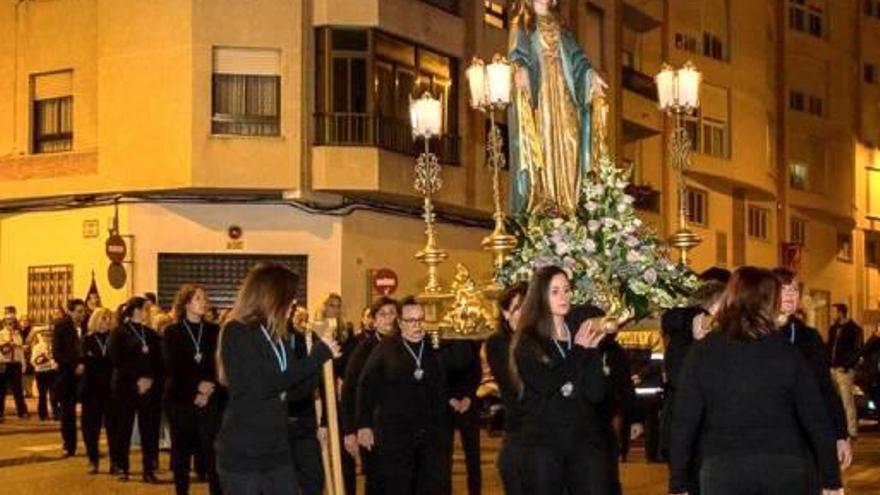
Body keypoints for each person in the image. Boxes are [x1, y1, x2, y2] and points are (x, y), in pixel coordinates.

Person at [669, 267, 842, 495]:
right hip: (784, 466)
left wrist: (679, 481)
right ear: (770, 302)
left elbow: (684, 420)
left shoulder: (703, 352)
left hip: (724, 468)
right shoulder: (785, 352)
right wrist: (831, 479)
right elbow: (815, 416)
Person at [214, 263, 338, 494]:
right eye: (290, 297)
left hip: (277, 449)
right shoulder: (237, 331)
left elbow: (294, 391)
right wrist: (314, 359)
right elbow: (261, 386)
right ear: (272, 296)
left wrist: (320, 367)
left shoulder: (277, 336)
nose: (294, 304)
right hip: (244, 452)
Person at [511, 266, 607, 495]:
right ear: (540, 296)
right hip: (544, 443)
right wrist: (581, 352)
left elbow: (596, 393)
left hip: (581, 440)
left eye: (566, 290)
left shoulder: (578, 337)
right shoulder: (529, 341)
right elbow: (546, 383)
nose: (564, 296)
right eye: (555, 291)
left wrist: (593, 354)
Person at [356, 296, 446, 495]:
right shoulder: (386, 348)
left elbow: (440, 388)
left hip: (426, 433)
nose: (417, 326)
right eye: (411, 321)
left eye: (420, 320)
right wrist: (364, 425)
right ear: (400, 323)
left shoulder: (432, 347)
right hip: (393, 434)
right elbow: (366, 386)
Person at [772, 267, 852, 483]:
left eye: (795, 289)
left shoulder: (808, 337)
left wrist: (840, 434)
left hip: (803, 435)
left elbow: (825, 388)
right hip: (765, 438)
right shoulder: (754, 333)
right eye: (784, 289)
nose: (791, 295)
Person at [163, 284, 223, 495]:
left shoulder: (215, 331)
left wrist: (209, 388)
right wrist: (196, 388)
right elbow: (173, 366)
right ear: (186, 303)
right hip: (181, 400)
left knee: (213, 453)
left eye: (204, 298)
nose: (204, 301)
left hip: (210, 399)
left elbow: (220, 364)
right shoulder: (172, 332)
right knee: (181, 453)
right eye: (198, 298)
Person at [341, 297, 398, 495]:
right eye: (383, 314)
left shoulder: (404, 344)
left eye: (392, 313)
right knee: (377, 482)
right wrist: (349, 431)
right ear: (373, 320)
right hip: (373, 427)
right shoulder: (364, 348)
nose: (388, 318)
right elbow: (348, 390)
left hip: (400, 426)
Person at [107, 296, 164, 483]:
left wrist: (150, 379)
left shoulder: (151, 333)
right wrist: (137, 379)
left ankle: (149, 468)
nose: (148, 312)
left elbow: (160, 361)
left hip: (149, 388)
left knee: (149, 429)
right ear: (136, 310)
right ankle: (122, 466)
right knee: (123, 428)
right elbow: (117, 360)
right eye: (146, 309)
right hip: (126, 387)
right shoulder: (119, 333)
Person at [485, 282, 528, 495]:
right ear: (505, 312)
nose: (526, 313)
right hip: (520, 434)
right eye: (519, 307)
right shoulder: (497, 343)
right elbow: (516, 385)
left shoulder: (545, 340)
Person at [318, 293, 358, 495]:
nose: (335, 308)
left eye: (338, 305)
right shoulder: (317, 331)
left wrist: (343, 378)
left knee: (344, 454)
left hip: (341, 391)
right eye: (331, 305)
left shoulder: (347, 332)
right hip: (320, 392)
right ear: (325, 307)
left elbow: (350, 359)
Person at [438, 337, 483, 495]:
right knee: (444, 458)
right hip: (446, 405)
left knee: (473, 457)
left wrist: (468, 397)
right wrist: (449, 398)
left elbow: (477, 372)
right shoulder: (440, 344)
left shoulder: (470, 343)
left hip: (467, 404)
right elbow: (437, 374)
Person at [80, 307, 114, 474]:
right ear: (95, 320)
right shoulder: (87, 339)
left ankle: (116, 461)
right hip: (91, 390)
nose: (107, 321)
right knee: (90, 428)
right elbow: (85, 361)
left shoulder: (113, 338)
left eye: (109, 318)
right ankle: (92, 459)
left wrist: (97, 361)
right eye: (103, 318)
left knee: (114, 427)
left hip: (111, 390)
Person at [53, 298, 87, 456]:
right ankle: (69, 445)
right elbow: (58, 353)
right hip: (67, 375)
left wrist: (84, 364)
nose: (82, 315)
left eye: (83, 311)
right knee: (68, 412)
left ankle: (90, 443)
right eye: (79, 312)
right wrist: (75, 365)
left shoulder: (87, 325)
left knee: (89, 411)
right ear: (70, 311)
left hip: (86, 375)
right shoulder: (61, 327)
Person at [827, 303, 863, 440]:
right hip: (832, 368)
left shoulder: (854, 329)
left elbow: (857, 351)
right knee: (833, 400)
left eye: (834, 312)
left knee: (847, 400)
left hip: (844, 370)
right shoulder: (833, 329)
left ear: (841, 313)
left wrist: (847, 366)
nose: (831, 315)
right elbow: (830, 347)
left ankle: (851, 430)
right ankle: (837, 429)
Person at [0, 313, 29, 419]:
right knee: (1, 390)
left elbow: (20, 351)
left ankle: (22, 411)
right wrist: (9, 344)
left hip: (16, 363)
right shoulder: (1, 334)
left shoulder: (17, 334)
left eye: (12, 320)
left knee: (18, 389)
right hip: (4, 363)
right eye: (8, 320)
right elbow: (2, 349)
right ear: (4, 322)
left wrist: (23, 364)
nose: (10, 322)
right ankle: (0, 413)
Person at [30, 329, 59, 421]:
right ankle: (43, 414)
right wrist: (44, 359)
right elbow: (33, 361)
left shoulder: (55, 346)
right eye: (46, 336)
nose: (48, 338)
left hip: (53, 371)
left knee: (54, 394)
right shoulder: (37, 347)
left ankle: (56, 413)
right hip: (42, 372)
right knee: (42, 394)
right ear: (42, 337)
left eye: (50, 336)